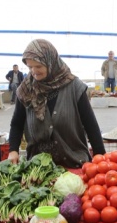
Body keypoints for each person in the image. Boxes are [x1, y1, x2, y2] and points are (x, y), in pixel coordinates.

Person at [8, 39, 105, 168]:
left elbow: (90, 125)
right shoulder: (26, 90)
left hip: (75, 163)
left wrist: (102, 158)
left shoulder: (75, 87)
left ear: (51, 62)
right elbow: (17, 124)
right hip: (38, 168)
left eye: (38, 66)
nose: (34, 71)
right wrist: (13, 150)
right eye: (30, 67)